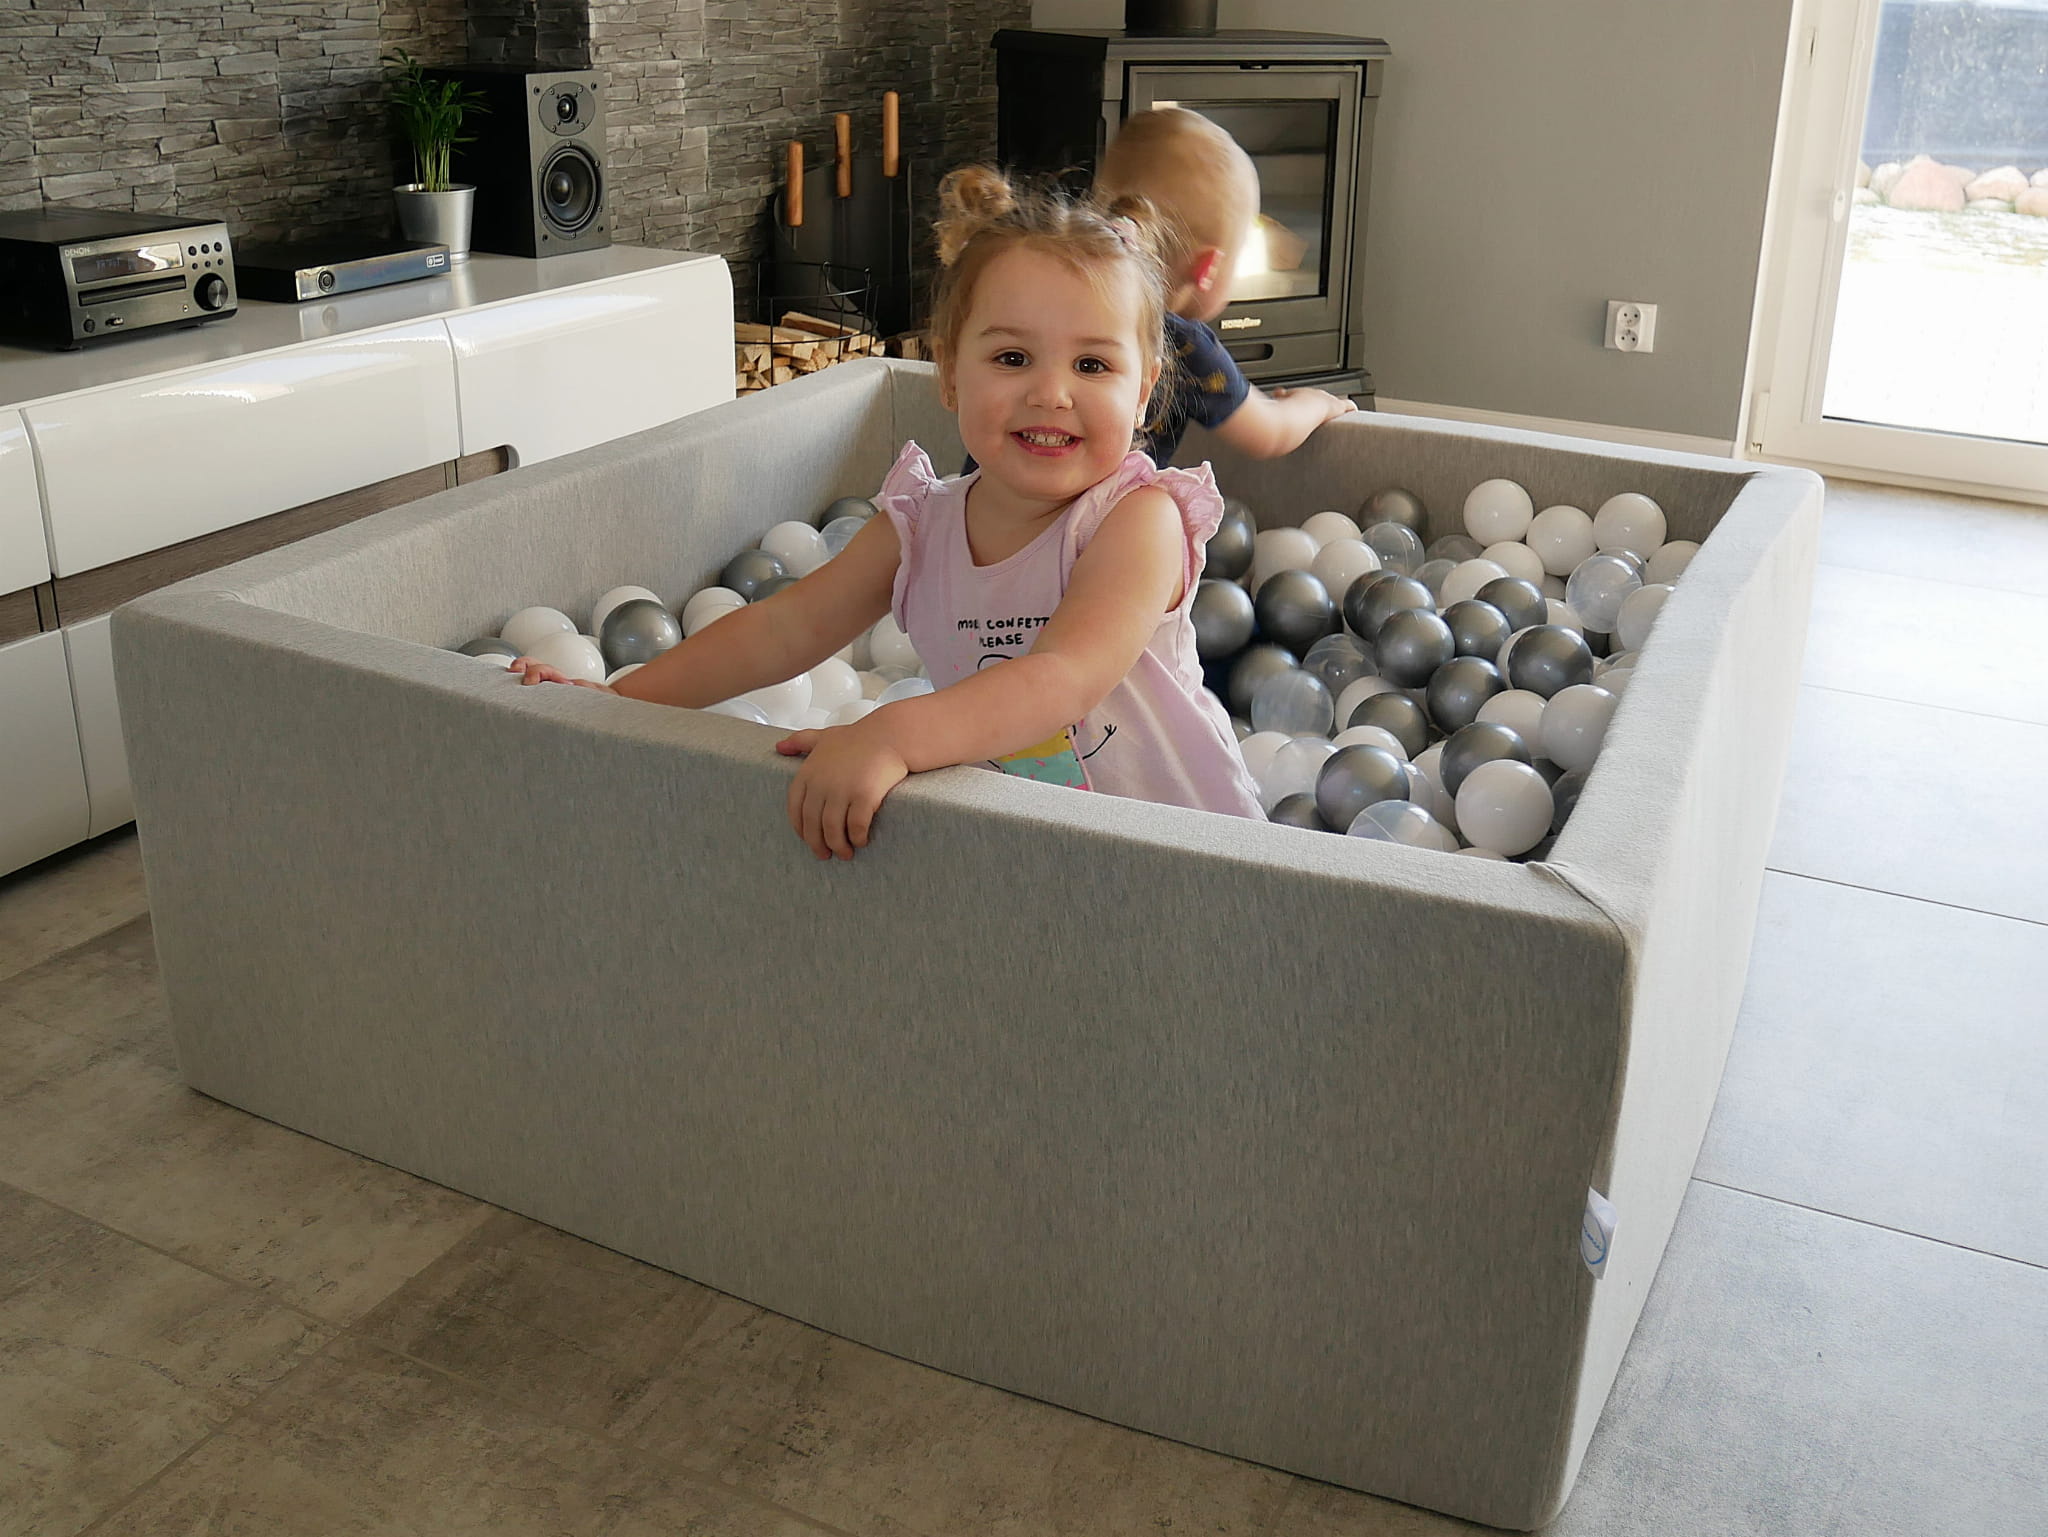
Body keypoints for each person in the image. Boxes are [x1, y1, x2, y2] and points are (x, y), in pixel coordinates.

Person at [511, 166, 1264, 859]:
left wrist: (891, 734)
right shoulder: (920, 526)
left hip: (1196, 862)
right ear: (949, 373)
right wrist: (620, 701)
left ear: (1143, 393)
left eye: (1092, 365)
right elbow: (784, 628)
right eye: (1012, 358)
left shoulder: (1135, 522)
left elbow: (1064, 677)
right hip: (1039, 854)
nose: (1051, 393)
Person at [1094, 106, 1358, 464]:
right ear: (1208, 268)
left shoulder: (1062, 300)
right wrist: (1318, 403)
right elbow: (1272, 433)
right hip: (1113, 500)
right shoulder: (1182, 343)